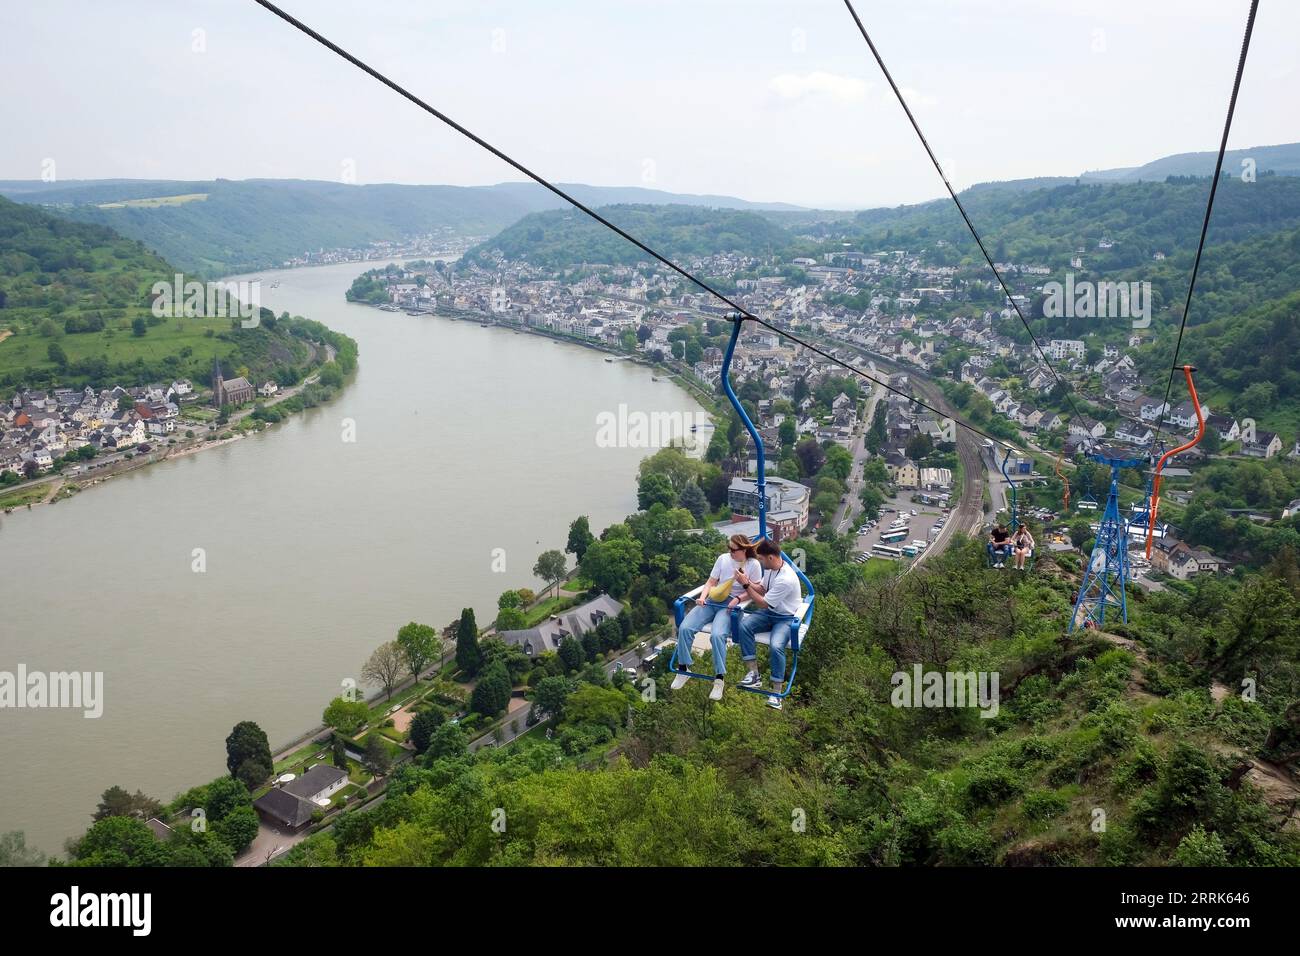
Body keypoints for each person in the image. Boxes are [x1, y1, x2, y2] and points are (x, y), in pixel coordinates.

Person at [670, 534, 760, 700]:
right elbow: (711, 582)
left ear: (743, 550)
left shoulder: (753, 565)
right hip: (715, 599)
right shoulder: (723, 559)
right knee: (685, 627)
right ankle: (683, 668)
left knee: (717, 635)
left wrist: (738, 599)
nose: (730, 552)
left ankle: (719, 678)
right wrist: (703, 597)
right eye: (729, 548)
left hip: (732, 605)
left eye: (733, 550)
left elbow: (755, 591)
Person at [735, 539, 804, 710]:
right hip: (771, 613)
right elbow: (762, 589)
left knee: (776, 646)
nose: (760, 562)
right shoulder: (772, 569)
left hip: (785, 618)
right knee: (744, 626)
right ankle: (753, 674)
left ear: (771, 557)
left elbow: (762, 603)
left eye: (762, 559)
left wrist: (745, 584)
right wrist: (748, 581)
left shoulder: (786, 579)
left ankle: (776, 693)